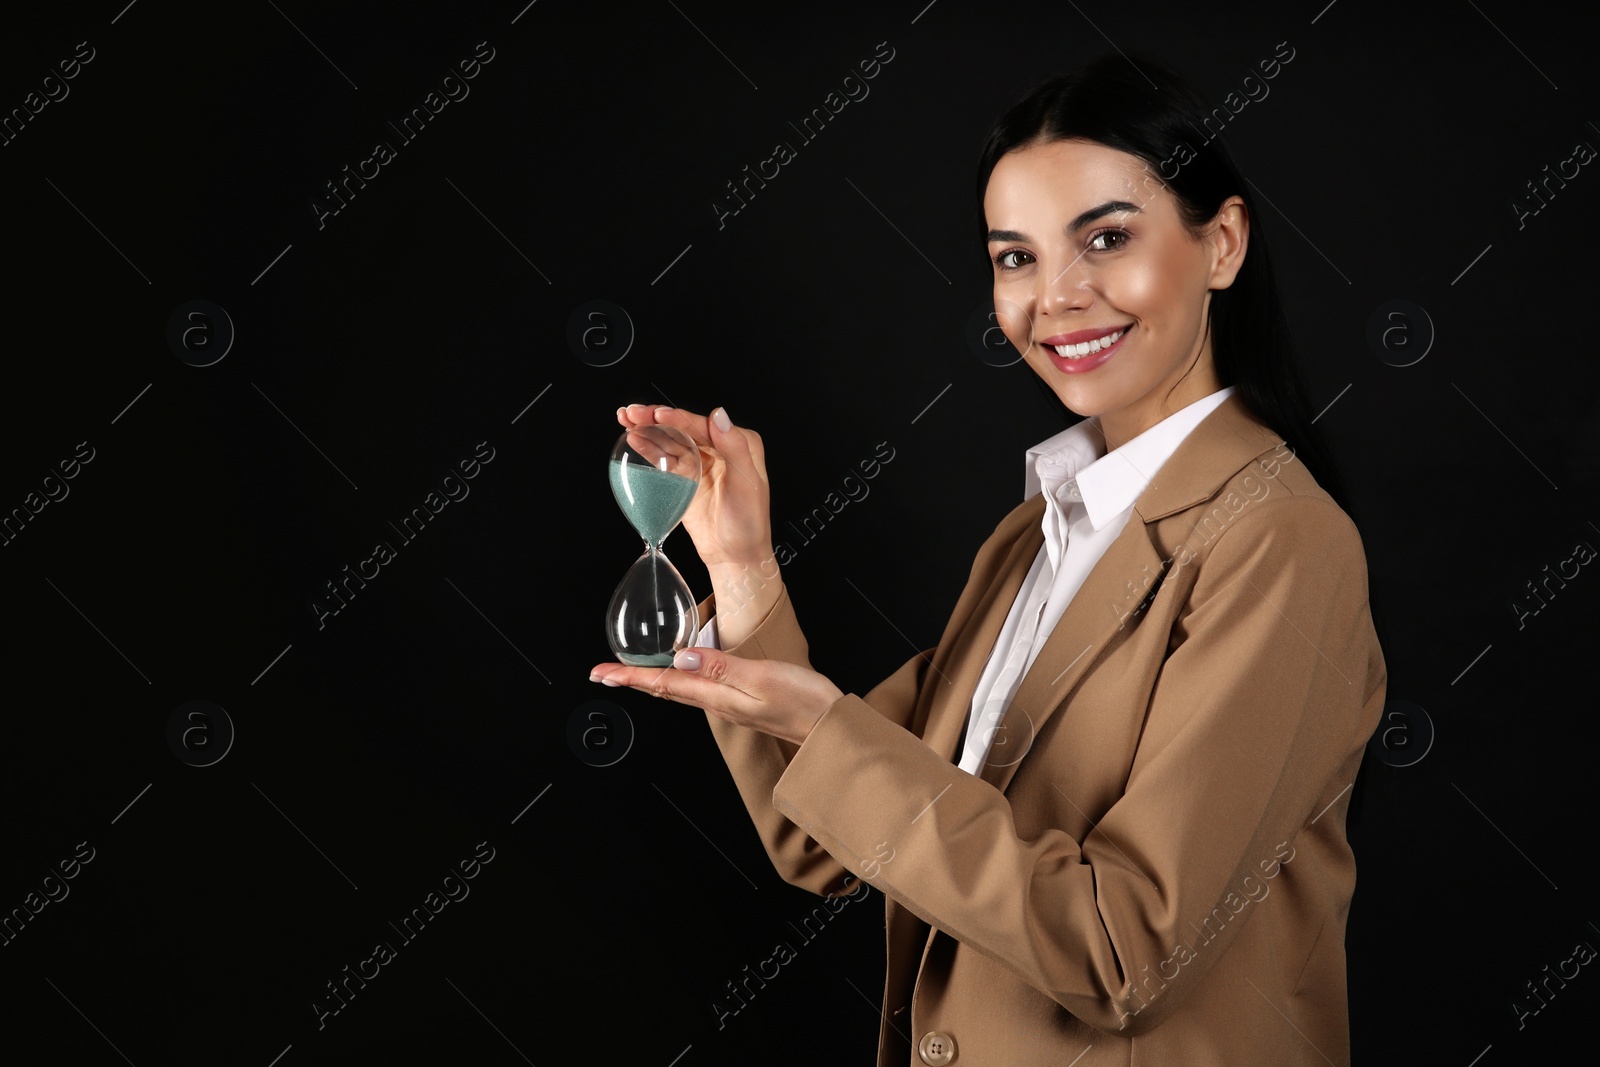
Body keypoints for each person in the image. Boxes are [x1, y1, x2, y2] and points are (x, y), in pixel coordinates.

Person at [590, 53, 1386, 1067]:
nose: (1055, 298)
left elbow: (1120, 951)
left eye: (1105, 238)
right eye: (1015, 258)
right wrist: (742, 567)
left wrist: (824, 723)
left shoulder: (1277, 540)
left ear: (1222, 242)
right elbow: (824, 834)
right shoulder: (1036, 535)